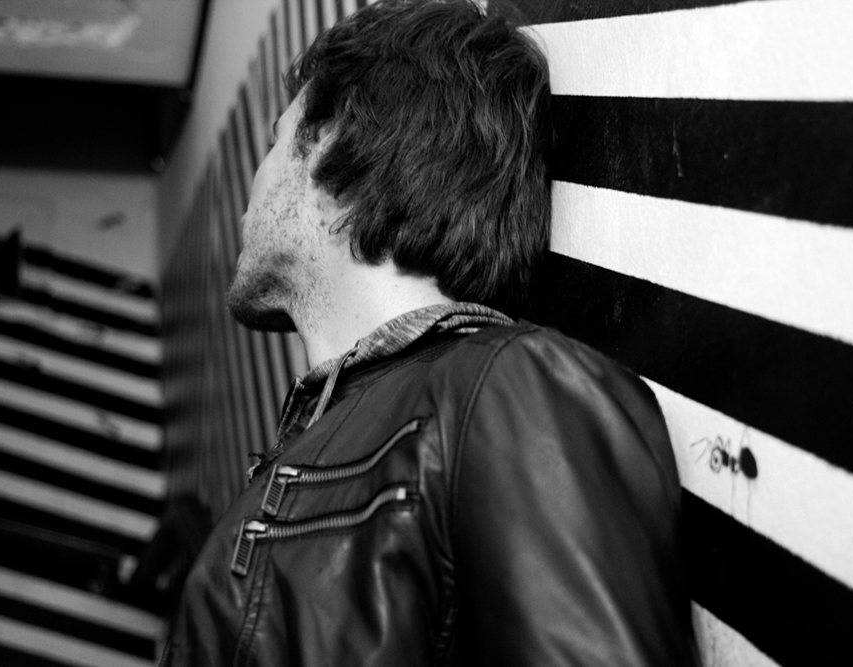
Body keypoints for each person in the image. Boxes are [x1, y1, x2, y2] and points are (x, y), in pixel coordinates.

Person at [161, 1, 697, 665]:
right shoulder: (348, 431)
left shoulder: (505, 388)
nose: (256, 178)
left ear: (331, 141)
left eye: (275, 141)